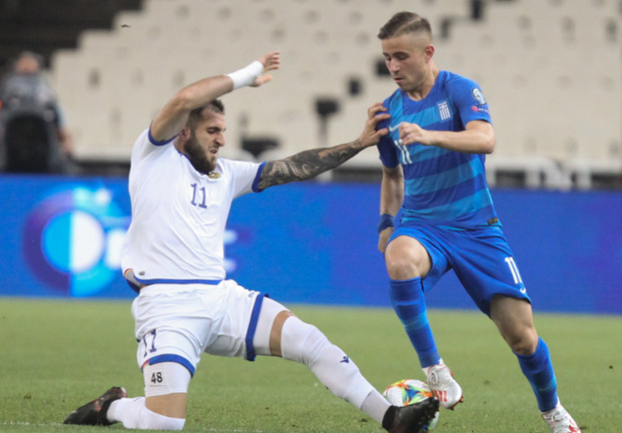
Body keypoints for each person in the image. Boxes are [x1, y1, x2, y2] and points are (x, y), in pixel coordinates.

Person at [62, 51, 439, 432]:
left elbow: (291, 168)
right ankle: (112, 407)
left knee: (309, 341)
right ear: (184, 131)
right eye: (212, 131)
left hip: (222, 299)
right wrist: (247, 75)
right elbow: (184, 99)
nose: (222, 140)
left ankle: (392, 418)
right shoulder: (153, 157)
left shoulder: (226, 173)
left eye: (224, 131)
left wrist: (358, 143)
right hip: (167, 307)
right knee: (164, 423)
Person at [372, 12, 580, 433]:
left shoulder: (459, 89)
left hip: (475, 228)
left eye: (401, 56)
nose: (393, 66)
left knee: (522, 337)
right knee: (399, 256)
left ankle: (553, 412)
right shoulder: (387, 113)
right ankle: (436, 372)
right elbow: (392, 175)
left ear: (427, 52)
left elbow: (485, 139)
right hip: (423, 225)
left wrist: (430, 135)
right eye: (387, 58)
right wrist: (387, 223)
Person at [0, 51, 74, 174]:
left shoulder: (46, 92)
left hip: (44, 148)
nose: (27, 67)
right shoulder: (2, 92)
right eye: (24, 63)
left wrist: (66, 144)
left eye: (30, 63)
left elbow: (60, 124)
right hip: (6, 146)